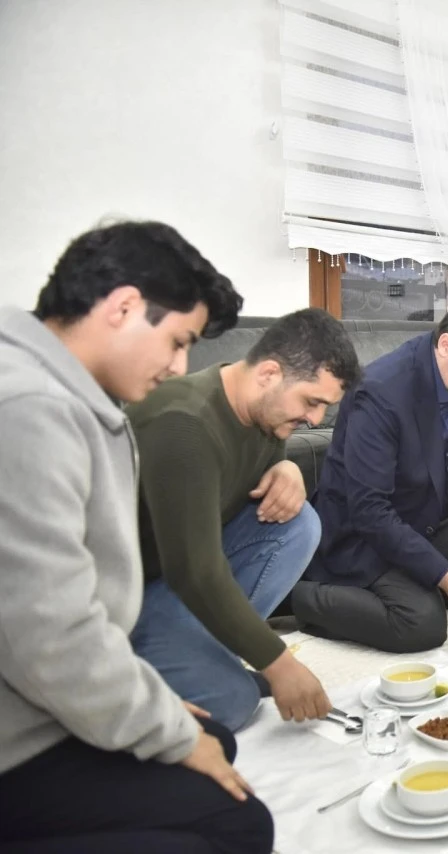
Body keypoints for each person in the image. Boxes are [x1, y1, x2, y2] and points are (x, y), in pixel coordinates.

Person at [0, 221, 273, 853]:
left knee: (218, 740)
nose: (180, 366)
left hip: (42, 700)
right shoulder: (32, 410)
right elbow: (53, 640)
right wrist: (171, 731)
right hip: (20, 736)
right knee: (238, 823)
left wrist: (162, 715)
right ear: (122, 307)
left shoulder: (71, 394)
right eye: (177, 341)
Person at [127, 309, 360, 732]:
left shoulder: (260, 413)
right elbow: (195, 573)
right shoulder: (185, 424)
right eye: (312, 402)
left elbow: (243, 491)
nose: (314, 419)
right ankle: (144, 673)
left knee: (299, 523)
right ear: (269, 373)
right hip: (124, 602)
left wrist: (287, 470)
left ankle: (205, 655)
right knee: (233, 701)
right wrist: (278, 662)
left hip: (175, 580)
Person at [293, 294, 448, 652]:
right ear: (446, 344)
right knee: (422, 624)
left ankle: (425, 581)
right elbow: (369, 511)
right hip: (367, 533)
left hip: (432, 516)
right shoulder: (379, 392)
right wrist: (444, 575)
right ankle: (301, 596)